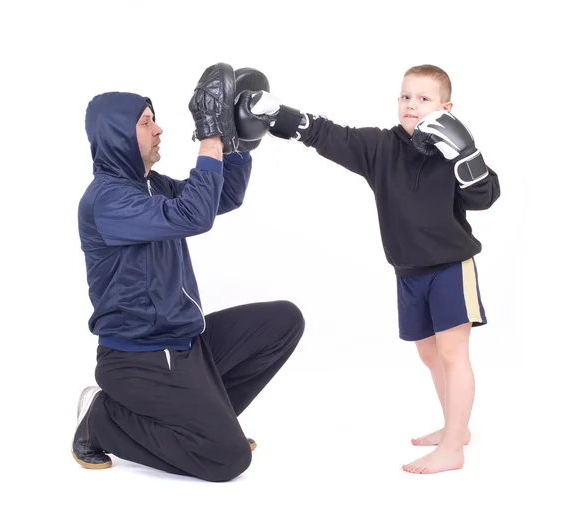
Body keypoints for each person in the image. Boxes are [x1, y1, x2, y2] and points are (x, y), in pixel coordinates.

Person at [233, 64, 501, 474]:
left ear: (446, 108)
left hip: (450, 266)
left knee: (453, 353)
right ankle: (455, 428)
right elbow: (327, 134)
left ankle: (453, 447)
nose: (412, 105)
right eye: (405, 96)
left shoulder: (453, 154)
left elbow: (485, 198)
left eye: (424, 99)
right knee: (430, 355)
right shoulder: (381, 148)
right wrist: (276, 111)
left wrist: (467, 152)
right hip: (408, 271)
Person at [72, 62, 305, 482]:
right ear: (119, 137)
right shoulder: (105, 201)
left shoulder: (152, 186)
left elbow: (223, 198)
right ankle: (100, 419)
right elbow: (195, 216)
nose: (159, 129)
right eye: (146, 123)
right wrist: (209, 134)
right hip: (137, 358)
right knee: (228, 460)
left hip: (184, 345)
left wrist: (236, 143)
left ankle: (207, 425)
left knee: (284, 321)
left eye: (155, 119)